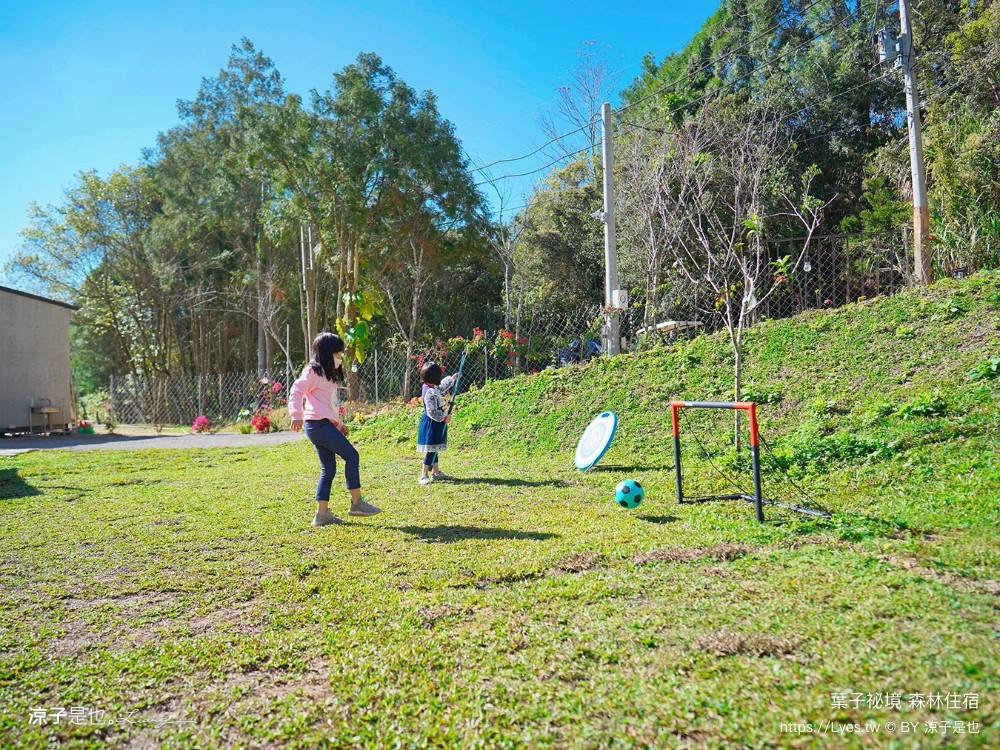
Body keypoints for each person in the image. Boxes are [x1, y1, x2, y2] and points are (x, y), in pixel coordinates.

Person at [289, 332, 380, 526]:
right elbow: (296, 390)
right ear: (326, 353)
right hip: (317, 425)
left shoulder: (327, 374)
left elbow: (326, 405)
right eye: (337, 353)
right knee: (352, 456)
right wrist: (295, 414)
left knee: (328, 468)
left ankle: (321, 515)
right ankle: (357, 503)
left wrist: (339, 424)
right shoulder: (314, 370)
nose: (340, 357)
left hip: (321, 425)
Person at [417, 362, 456, 485]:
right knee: (431, 449)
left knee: (435, 447)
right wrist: (444, 417)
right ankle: (423, 474)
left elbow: (442, 386)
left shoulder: (432, 387)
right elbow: (432, 411)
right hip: (432, 422)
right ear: (435, 377)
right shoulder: (429, 392)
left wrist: (451, 379)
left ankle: (436, 472)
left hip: (436, 422)